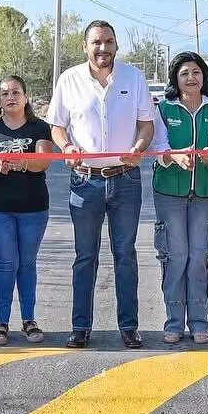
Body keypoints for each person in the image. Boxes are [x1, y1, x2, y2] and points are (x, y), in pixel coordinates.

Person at [47, 20, 156, 349]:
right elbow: (57, 127)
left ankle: (129, 327)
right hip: (85, 182)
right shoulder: (69, 80)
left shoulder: (133, 78)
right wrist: (66, 148)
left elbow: (146, 126)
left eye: (108, 42)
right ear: (85, 46)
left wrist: (139, 149)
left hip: (125, 180)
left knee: (125, 255)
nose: (103, 48)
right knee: (85, 256)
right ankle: (80, 327)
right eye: (96, 42)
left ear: (116, 45)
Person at [151, 51, 208, 345]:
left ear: (204, 77)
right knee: (176, 257)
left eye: (196, 72)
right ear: (175, 78)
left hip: (206, 192)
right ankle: (173, 321)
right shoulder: (164, 109)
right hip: (170, 191)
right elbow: (158, 145)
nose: (191, 78)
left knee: (198, 257)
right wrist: (174, 157)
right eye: (184, 73)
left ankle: (199, 320)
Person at [0, 75, 55, 346]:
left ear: (25, 97)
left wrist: (21, 163)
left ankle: (29, 320)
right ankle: (1, 322)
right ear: (0, 98)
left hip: (33, 207)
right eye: (5, 93)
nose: (11, 97)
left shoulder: (39, 127)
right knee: (6, 263)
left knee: (27, 263)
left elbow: (43, 161)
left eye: (16, 92)